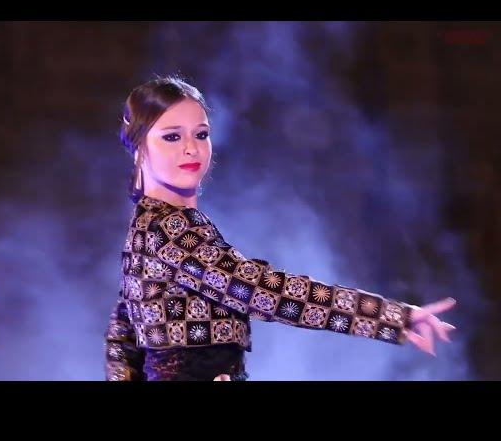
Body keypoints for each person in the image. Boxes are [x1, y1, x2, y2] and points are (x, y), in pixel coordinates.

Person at [104, 75, 456, 381]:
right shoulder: (169, 229)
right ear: (138, 148)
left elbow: (123, 339)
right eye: (171, 137)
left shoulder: (149, 225)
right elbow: (267, 293)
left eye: (201, 133)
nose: (191, 148)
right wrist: (392, 317)